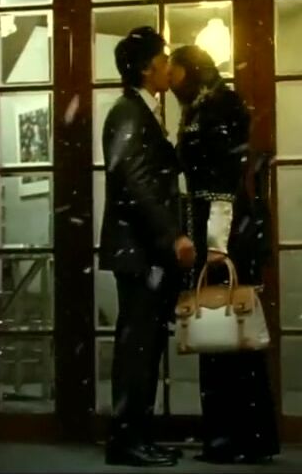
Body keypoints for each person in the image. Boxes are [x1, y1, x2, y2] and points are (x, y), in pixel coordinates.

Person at [169, 45, 280, 465]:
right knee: (223, 329)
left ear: (189, 70)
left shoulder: (219, 105)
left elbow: (223, 178)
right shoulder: (204, 105)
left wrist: (216, 243)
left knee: (226, 328)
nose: (171, 81)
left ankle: (232, 437)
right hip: (217, 224)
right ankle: (239, 436)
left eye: (175, 72)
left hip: (224, 228)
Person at [100, 26, 198, 467]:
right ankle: (127, 441)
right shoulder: (128, 112)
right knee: (138, 349)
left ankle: (138, 436)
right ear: (146, 68)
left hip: (144, 250)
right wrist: (172, 235)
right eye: (162, 60)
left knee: (145, 346)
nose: (168, 67)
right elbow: (135, 183)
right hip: (139, 251)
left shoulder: (141, 111)